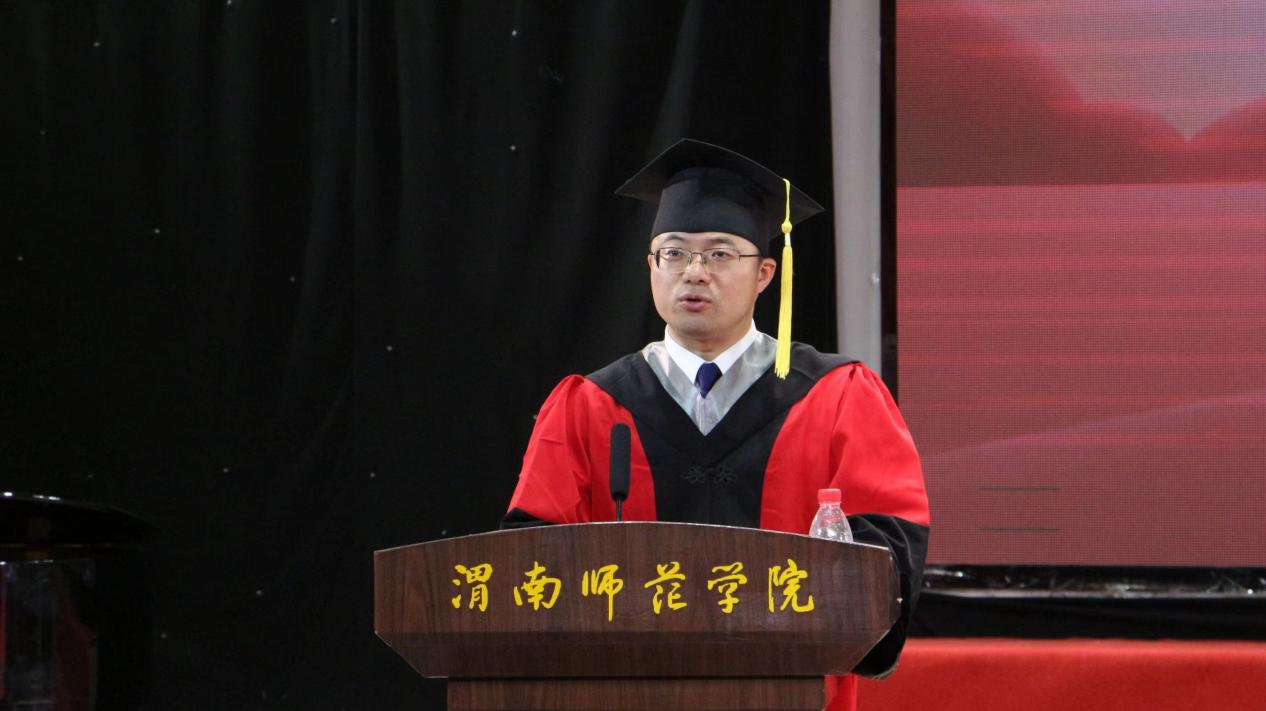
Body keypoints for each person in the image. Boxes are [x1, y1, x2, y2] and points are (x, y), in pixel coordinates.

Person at [503, 139, 929, 711]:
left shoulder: (839, 396)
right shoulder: (588, 405)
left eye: (720, 253)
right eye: (673, 253)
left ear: (765, 274)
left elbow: (888, 544)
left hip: (790, 693)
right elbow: (531, 561)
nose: (694, 272)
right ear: (650, 268)